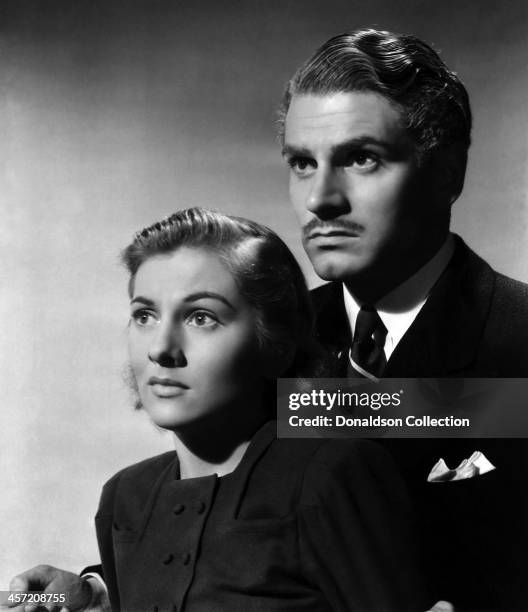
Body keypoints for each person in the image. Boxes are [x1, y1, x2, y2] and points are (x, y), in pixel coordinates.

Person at [7, 208, 426, 612]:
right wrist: (81, 596)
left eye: (201, 317)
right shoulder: (125, 496)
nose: (161, 349)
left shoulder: (331, 472)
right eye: (145, 315)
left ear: (275, 343)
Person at [278, 28, 528, 610]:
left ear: (447, 174)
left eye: (361, 158)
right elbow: (217, 529)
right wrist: (88, 592)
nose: (320, 200)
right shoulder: (273, 341)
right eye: (301, 163)